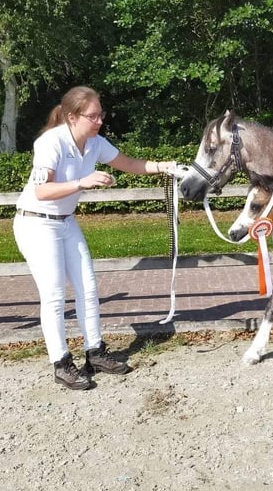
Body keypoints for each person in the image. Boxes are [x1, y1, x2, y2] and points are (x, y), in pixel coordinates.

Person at [13, 86, 176, 390]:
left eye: (101, 114)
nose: (100, 121)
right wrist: (82, 182)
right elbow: (42, 191)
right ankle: (61, 363)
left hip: (65, 221)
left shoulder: (94, 142)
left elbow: (129, 163)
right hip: (36, 223)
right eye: (93, 116)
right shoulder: (50, 142)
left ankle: (95, 352)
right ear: (72, 117)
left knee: (88, 288)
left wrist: (162, 167)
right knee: (54, 296)